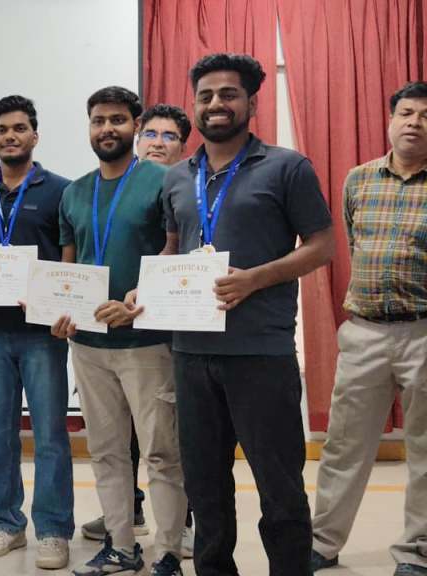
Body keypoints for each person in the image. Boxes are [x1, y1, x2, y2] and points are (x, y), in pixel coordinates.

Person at [156, 53, 334, 574]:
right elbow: (173, 248)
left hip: (261, 352)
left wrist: (255, 278)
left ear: (252, 103)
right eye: (206, 95)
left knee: (279, 487)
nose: (216, 103)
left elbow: (321, 246)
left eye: (228, 94)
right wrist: (146, 290)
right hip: (190, 353)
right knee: (205, 487)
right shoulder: (177, 177)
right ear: (195, 105)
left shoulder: (287, 167)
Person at [59, 87, 187, 576]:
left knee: (161, 453)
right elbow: (70, 267)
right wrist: (60, 311)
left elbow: (177, 251)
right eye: (98, 120)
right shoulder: (74, 192)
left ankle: (168, 552)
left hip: (147, 343)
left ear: (135, 126)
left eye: (117, 119)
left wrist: (138, 301)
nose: (107, 128)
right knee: (107, 451)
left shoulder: (164, 180)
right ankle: (120, 547)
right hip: (89, 346)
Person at [309, 81, 427, 576]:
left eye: (425, 115)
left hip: (424, 333)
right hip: (365, 332)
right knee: (343, 445)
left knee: (425, 450)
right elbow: (352, 240)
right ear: (390, 119)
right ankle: (322, 543)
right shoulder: (358, 180)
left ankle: (417, 551)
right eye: (406, 112)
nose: (415, 122)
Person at [0, 95, 74, 570]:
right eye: (2, 129)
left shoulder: (60, 190)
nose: (10, 136)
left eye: (19, 128)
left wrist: (58, 302)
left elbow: (68, 257)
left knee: (50, 436)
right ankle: (5, 523)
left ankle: (53, 530)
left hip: (42, 333)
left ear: (34, 136)